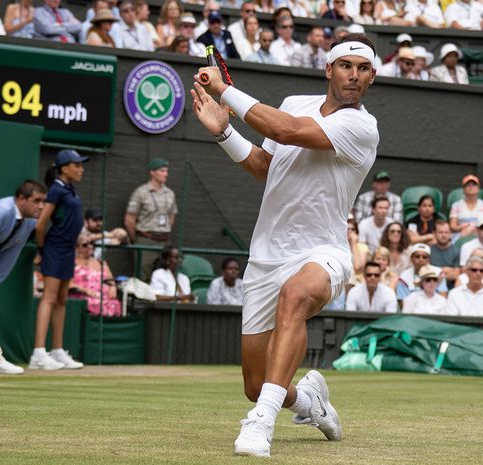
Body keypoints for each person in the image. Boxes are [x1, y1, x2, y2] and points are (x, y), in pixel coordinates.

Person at [190, 32, 379, 457]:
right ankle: (309, 402)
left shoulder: (361, 126)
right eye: (345, 66)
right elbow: (265, 167)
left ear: (372, 78)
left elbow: (287, 131)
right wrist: (224, 133)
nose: (353, 75)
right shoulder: (295, 102)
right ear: (328, 70)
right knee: (255, 385)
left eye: (363, 69)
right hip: (266, 255)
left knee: (296, 295)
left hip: (323, 252)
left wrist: (224, 89)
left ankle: (261, 424)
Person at [32, 150, 89, 371]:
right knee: (49, 297)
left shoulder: (69, 189)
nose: (81, 169)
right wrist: (42, 249)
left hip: (67, 251)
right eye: (77, 165)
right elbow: (40, 225)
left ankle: (57, 350)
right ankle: (38, 353)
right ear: (65, 168)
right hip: (54, 248)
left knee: (62, 300)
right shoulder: (56, 189)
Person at [0, 180, 47, 375]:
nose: (41, 206)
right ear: (20, 199)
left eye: (43, 201)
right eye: (36, 201)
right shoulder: (2, 212)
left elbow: (11, 253)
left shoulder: (29, 222)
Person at [125, 158, 178, 280]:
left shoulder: (170, 193)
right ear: (152, 172)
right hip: (146, 239)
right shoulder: (141, 192)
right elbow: (129, 219)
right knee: (143, 274)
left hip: (164, 240)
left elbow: (172, 217)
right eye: (162, 171)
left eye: (166, 171)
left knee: (166, 274)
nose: (166, 174)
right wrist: (137, 239)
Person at [71, 234, 121, 317]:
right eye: (85, 245)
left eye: (91, 243)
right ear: (77, 247)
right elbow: (69, 284)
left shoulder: (101, 262)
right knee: (93, 303)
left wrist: (112, 288)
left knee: (115, 303)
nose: (89, 246)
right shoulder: (72, 263)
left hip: (104, 297)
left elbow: (110, 280)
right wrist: (87, 291)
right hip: (82, 296)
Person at [450, 174, 483, 240]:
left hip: (481, 234)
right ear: (463, 190)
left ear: (478, 189)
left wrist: (476, 228)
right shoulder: (456, 205)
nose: (471, 187)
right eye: (468, 185)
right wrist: (461, 227)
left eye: (474, 185)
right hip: (461, 233)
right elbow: (452, 226)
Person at [429, 220, 461, 288]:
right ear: (434, 233)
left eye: (446, 232)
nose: (444, 235)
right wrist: (446, 270)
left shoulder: (457, 251)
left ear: (450, 234)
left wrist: (436, 272)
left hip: (452, 289)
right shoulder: (429, 251)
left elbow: (456, 275)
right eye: (440, 232)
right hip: (432, 288)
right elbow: (427, 274)